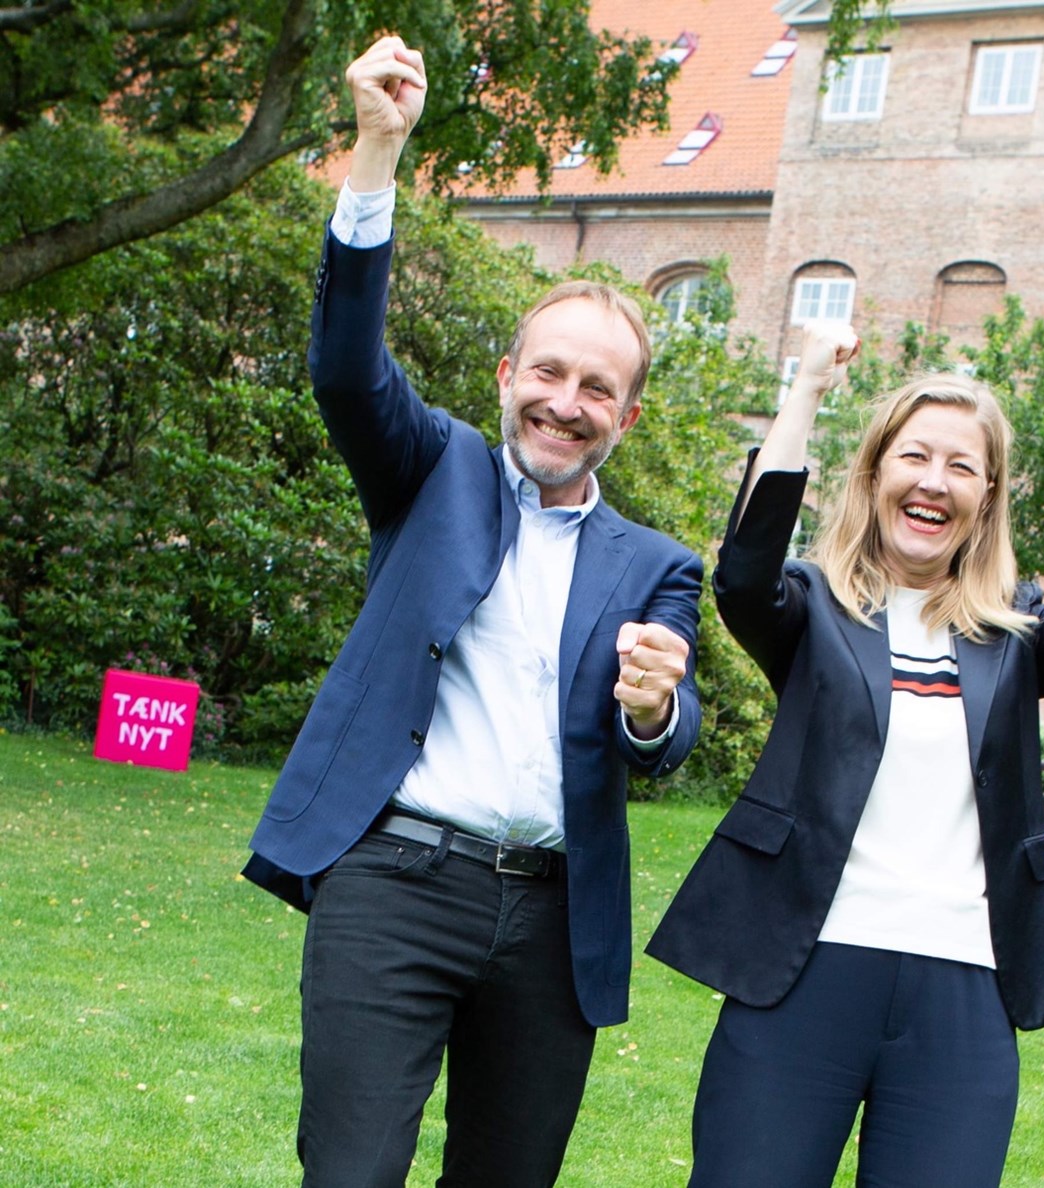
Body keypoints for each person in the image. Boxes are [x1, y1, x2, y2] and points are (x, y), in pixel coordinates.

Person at [237, 36, 703, 1187]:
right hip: (394, 882)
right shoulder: (431, 470)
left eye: (598, 389)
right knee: (349, 1171)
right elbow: (348, 370)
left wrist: (653, 708)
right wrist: (377, 154)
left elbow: (668, 731)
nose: (566, 402)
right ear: (506, 376)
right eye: (548, 373)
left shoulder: (655, 561)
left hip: (551, 919)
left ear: (626, 420)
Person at [645, 322, 1044, 1186]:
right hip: (805, 968)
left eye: (962, 466)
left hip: (964, 986)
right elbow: (744, 574)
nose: (934, 483)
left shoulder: (1016, 637)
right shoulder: (810, 610)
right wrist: (803, 392)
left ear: (986, 497)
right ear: (875, 475)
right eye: (915, 457)